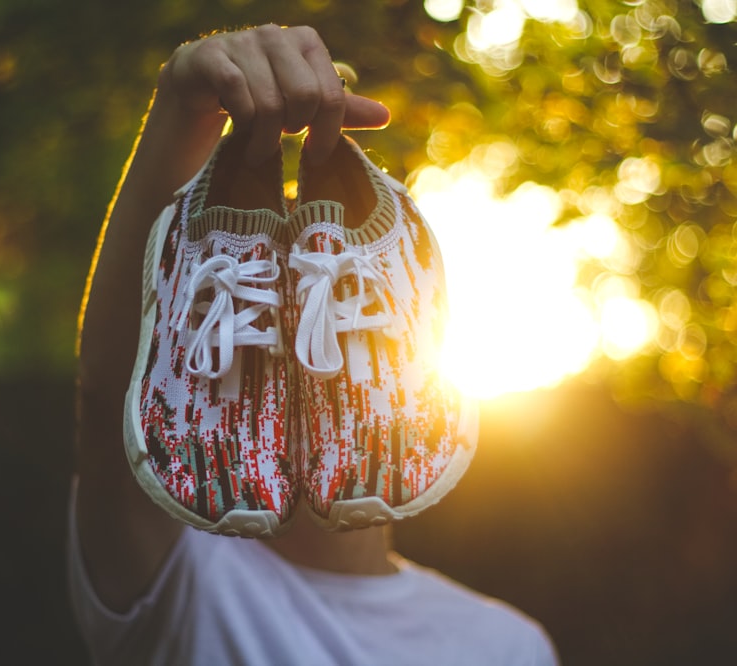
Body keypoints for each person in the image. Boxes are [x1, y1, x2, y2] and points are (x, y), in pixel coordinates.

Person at [71, 24, 560, 665]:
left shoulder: (509, 647)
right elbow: (113, 405)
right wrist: (181, 110)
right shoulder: (185, 583)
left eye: (333, 305)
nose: (304, 346)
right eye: (272, 309)